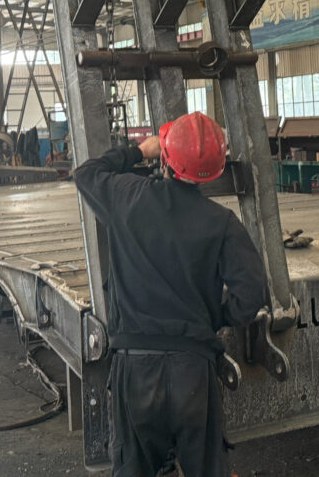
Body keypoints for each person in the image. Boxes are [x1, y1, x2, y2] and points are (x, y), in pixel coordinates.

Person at [73, 111, 267, 477]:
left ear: (164, 158)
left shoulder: (126, 197)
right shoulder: (222, 223)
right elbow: (251, 295)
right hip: (193, 370)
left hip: (135, 369)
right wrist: (214, 317)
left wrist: (136, 151)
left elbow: (85, 173)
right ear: (215, 171)